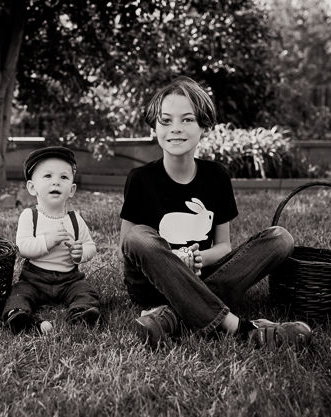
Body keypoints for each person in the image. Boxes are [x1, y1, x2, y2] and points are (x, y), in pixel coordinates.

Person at [119, 76, 312, 349]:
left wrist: (198, 259)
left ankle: (170, 316)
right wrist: (173, 261)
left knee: (280, 239)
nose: (175, 128)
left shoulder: (216, 176)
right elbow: (127, 248)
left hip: (202, 275)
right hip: (150, 284)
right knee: (138, 235)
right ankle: (240, 328)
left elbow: (223, 246)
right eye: (166, 120)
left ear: (204, 127)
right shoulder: (140, 178)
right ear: (154, 128)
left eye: (187, 119)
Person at [3, 146, 100, 334]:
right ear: (32, 187)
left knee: (85, 291)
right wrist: (48, 241)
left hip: (69, 279)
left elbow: (91, 246)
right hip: (34, 279)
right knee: (19, 293)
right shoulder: (30, 216)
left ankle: (81, 312)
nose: (56, 182)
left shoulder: (75, 219)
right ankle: (18, 315)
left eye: (63, 177)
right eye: (47, 176)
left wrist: (80, 253)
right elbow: (23, 248)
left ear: (72, 189)